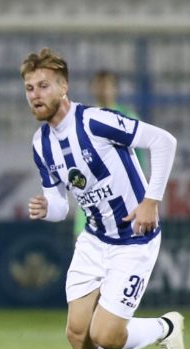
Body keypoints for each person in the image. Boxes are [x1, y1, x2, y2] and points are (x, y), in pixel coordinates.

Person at [22, 48, 186, 349]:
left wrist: (151, 200)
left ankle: (166, 328)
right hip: (94, 240)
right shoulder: (41, 144)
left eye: (43, 85)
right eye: (29, 88)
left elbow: (164, 142)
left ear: (64, 87)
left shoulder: (96, 121)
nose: (35, 95)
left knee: (107, 335)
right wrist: (47, 208)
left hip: (134, 240)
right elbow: (61, 204)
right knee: (77, 333)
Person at [73, 70, 147, 238]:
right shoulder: (81, 119)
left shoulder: (127, 118)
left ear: (115, 89)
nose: (103, 90)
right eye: (99, 85)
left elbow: (139, 159)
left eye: (107, 85)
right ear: (92, 88)